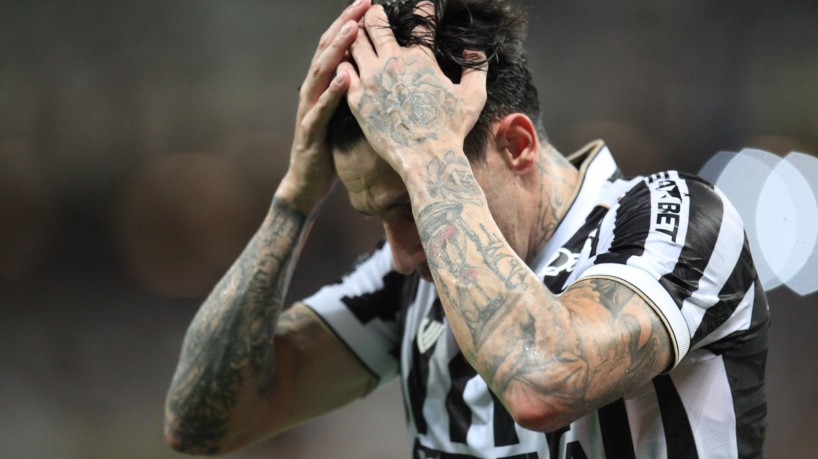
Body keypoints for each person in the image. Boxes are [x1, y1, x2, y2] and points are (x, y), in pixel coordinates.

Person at [164, 0, 769, 457]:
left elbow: (543, 381)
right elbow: (202, 420)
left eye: (412, 203)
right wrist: (293, 199)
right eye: (378, 217)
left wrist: (428, 154)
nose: (399, 255)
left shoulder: (676, 218)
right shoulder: (410, 281)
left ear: (517, 144)